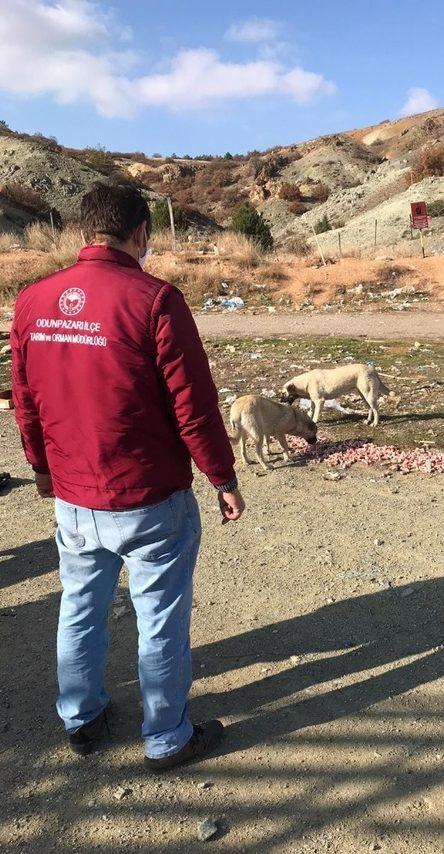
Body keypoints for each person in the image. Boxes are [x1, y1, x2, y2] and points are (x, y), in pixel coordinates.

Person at [10, 181, 245, 771]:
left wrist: (40, 467)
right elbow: (193, 404)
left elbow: (26, 397)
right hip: (148, 496)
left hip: (73, 494)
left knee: (80, 604)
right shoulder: (155, 299)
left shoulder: (33, 301)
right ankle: (166, 736)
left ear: (84, 234)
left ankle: (81, 718)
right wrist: (221, 476)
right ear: (140, 233)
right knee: (160, 615)